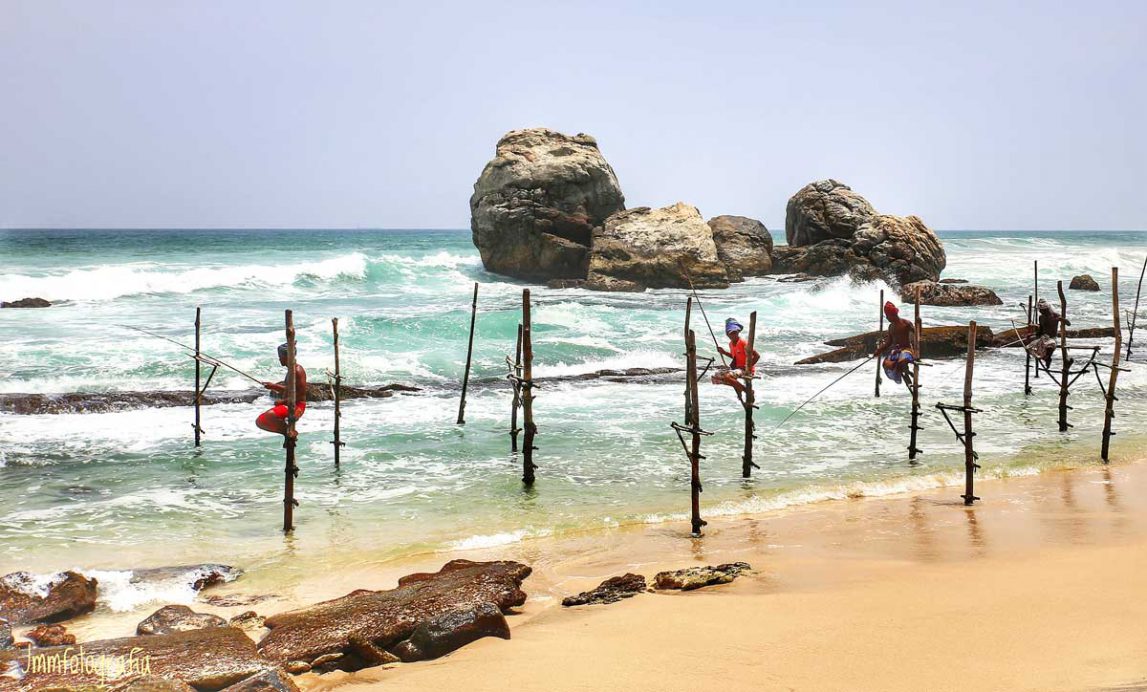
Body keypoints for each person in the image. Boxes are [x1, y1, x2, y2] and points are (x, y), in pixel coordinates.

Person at [256, 343, 307, 437]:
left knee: (265, 418)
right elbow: (290, 389)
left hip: (297, 406)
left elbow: (301, 394)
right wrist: (273, 386)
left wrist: (283, 401)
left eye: (280, 356)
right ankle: (287, 433)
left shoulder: (297, 371)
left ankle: (289, 432)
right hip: (289, 403)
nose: (279, 359)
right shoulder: (291, 370)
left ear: (287, 357)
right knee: (261, 421)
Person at [711, 317, 760, 397]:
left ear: (738, 332)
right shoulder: (730, 344)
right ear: (727, 334)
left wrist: (747, 367)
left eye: (735, 332)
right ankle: (740, 387)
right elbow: (735, 357)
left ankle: (747, 391)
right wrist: (724, 352)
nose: (733, 335)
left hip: (745, 370)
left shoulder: (743, 343)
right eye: (731, 333)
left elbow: (757, 356)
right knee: (714, 378)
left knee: (727, 377)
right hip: (737, 369)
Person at [875, 301, 916, 386]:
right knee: (885, 363)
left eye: (887, 316)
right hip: (896, 352)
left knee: (902, 361)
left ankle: (903, 369)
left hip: (906, 350)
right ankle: (903, 370)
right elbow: (889, 342)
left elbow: (917, 334)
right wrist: (879, 350)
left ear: (893, 315)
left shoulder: (906, 323)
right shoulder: (891, 327)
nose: (887, 318)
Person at [1031, 298, 1070, 369]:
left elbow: (1068, 323)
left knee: (1050, 345)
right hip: (1044, 337)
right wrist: (1035, 335)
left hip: (1052, 338)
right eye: (1040, 310)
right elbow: (1041, 329)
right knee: (1029, 347)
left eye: (1042, 310)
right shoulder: (1041, 317)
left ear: (1047, 309)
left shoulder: (1055, 315)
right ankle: (1045, 358)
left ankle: (1047, 358)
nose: (1040, 311)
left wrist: (1062, 319)